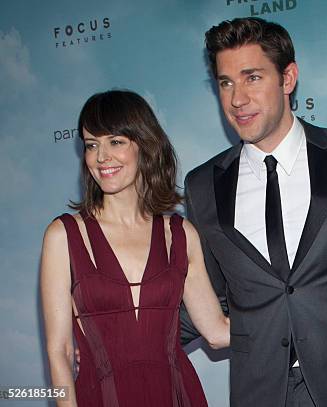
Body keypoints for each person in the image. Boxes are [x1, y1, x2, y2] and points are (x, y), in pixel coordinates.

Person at [179, 17, 327, 407]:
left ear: (288, 78)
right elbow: (211, 296)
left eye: (252, 78)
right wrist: (116, 335)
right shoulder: (202, 185)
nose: (237, 99)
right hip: (258, 389)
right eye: (226, 83)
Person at [40, 90, 229, 407]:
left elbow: (217, 331)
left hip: (177, 396)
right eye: (91, 145)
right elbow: (58, 351)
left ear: (144, 145)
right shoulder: (64, 235)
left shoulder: (179, 235)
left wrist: (294, 317)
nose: (101, 157)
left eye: (115, 142)